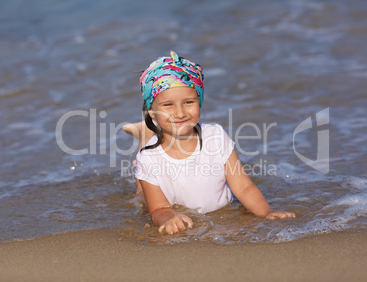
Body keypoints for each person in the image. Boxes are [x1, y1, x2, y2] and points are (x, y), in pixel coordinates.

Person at [123, 51, 295, 235]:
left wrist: (266, 212)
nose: (180, 113)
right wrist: (169, 218)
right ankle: (145, 137)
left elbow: (243, 187)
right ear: (152, 112)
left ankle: (147, 133)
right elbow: (158, 209)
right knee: (141, 198)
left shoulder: (215, 136)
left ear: (200, 101)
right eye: (168, 105)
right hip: (152, 163)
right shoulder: (149, 159)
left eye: (188, 102)